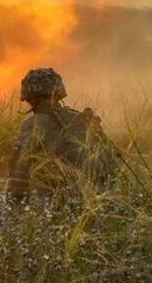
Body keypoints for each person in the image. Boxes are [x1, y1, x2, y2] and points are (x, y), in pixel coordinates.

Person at [7, 66, 112, 203]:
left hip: (55, 200)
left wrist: (14, 203)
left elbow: (22, 168)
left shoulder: (32, 125)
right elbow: (109, 161)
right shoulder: (81, 118)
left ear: (31, 99)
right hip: (94, 197)